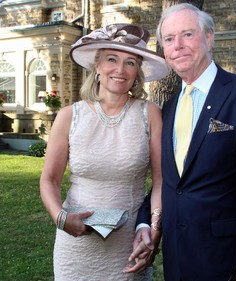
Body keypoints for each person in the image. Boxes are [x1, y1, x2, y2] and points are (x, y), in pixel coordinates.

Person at [126, 3, 236, 281]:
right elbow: (170, 179)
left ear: (209, 37)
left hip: (230, 262)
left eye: (187, 34)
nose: (178, 45)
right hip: (177, 260)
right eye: (169, 39)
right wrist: (145, 222)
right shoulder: (169, 106)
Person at [39, 23, 170, 280]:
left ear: (137, 72)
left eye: (130, 62)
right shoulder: (69, 116)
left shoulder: (150, 114)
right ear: (97, 66)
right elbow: (49, 180)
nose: (120, 70)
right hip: (74, 245)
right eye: (112, 59)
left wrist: (154, 229)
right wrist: (61, 218)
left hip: (130, 242)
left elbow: (161, 181)